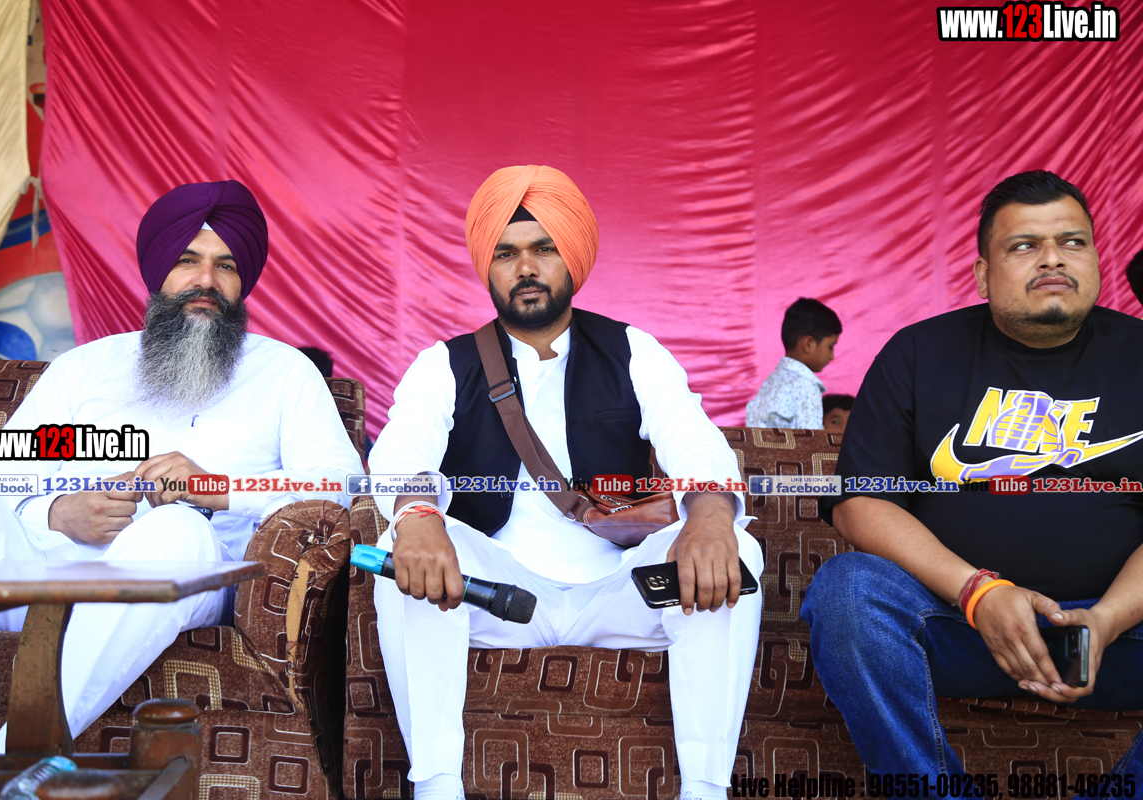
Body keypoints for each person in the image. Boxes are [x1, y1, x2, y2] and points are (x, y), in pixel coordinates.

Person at [369, 165, 763, 800]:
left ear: (572, 258)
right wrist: (416, 515)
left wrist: (712, 516)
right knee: (399, 550)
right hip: (496, 596)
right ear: (487, 267)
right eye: (506, 253)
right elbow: (402, 447)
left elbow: (692, 436)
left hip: (621, 592)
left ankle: (706, 790)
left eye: (544, 248)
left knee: (734, 549)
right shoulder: (444, 364)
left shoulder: (632, 350)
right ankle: (436, 787)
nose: (526, 267)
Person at [0, 180, 363, 750]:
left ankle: (11, 757)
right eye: (188, 260)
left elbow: (339, 489)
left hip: (183, 580)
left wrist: (218, 488)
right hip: (47, 579)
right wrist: (58, 514)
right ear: (158, 270)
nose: (206, 280)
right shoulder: (85, 371)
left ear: (243, 282)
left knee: (176, 528)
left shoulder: (283, 375)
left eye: (225, 266)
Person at [801, 170, 1143, 781]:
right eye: (1024, 245)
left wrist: (1109, 618)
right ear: (983, 274)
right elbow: (861, 503)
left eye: (1072, 242)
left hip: (1117, 638)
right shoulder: (919, 353)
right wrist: (978, 593)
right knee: (847, 592)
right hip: (956, 626)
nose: (1053, 259)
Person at [745, 297, 840, 429]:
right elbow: (810, 438)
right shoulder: (807, 386)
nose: (832, 356)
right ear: (808, 344)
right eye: (830, 347)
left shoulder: (771, 381)